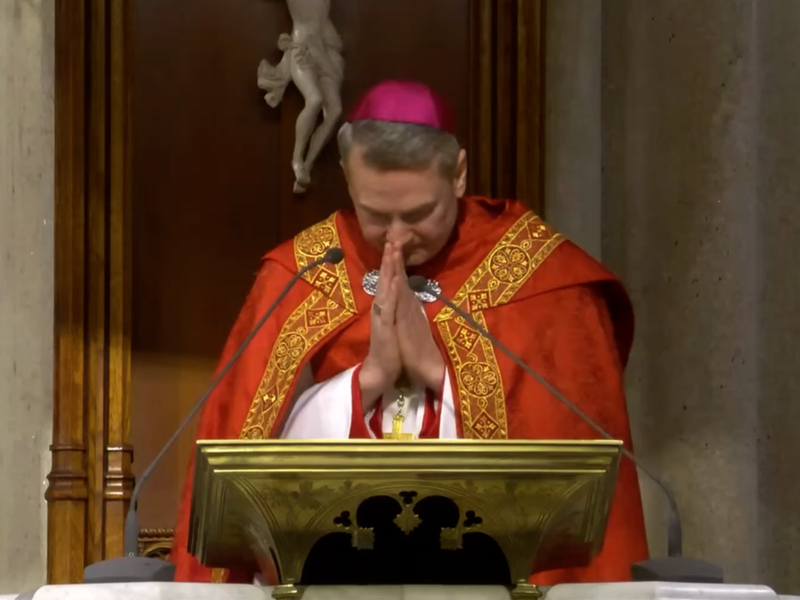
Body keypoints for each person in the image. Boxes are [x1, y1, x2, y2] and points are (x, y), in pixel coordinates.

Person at [171, 79, 649, 584]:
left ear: (459, 175)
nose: (397, 238)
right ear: (349, 181)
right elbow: (248, 467)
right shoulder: (303, 275)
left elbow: (573, 470)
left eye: (420, 214)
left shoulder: (541, 278)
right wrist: (367, 381)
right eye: (375, 216)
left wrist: (438, 374)